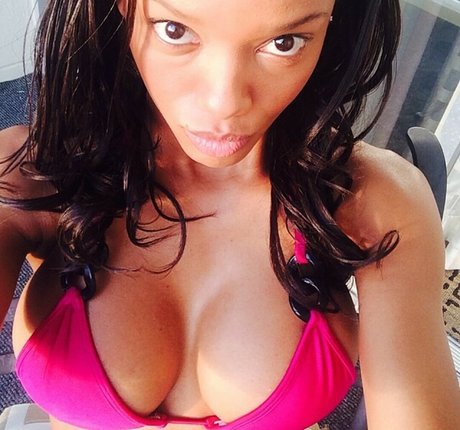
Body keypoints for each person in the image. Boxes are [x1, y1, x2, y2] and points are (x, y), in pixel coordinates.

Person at [0, 0, 459, 429]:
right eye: (175, 30)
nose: (225, 104)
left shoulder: (374, 200)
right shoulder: (32, 176)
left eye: (284, 43)